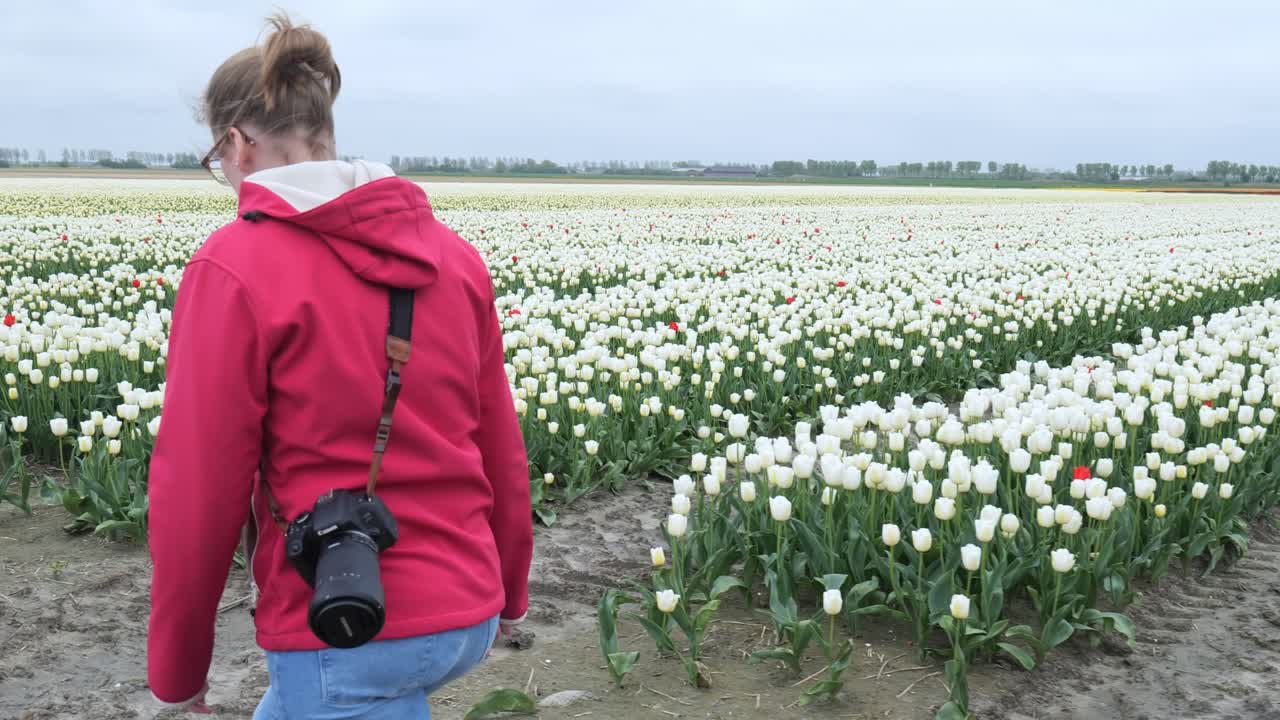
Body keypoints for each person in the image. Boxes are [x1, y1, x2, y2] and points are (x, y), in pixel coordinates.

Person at [146, 13, 533, 719]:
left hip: (347, 626)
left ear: (237, 144)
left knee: (333, 692)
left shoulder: (234, 268)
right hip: (465, 608)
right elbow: (499, 445)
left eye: (217, 161)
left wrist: (178, 669)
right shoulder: (453, 257)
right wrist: (510, 590)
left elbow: (198, 490)